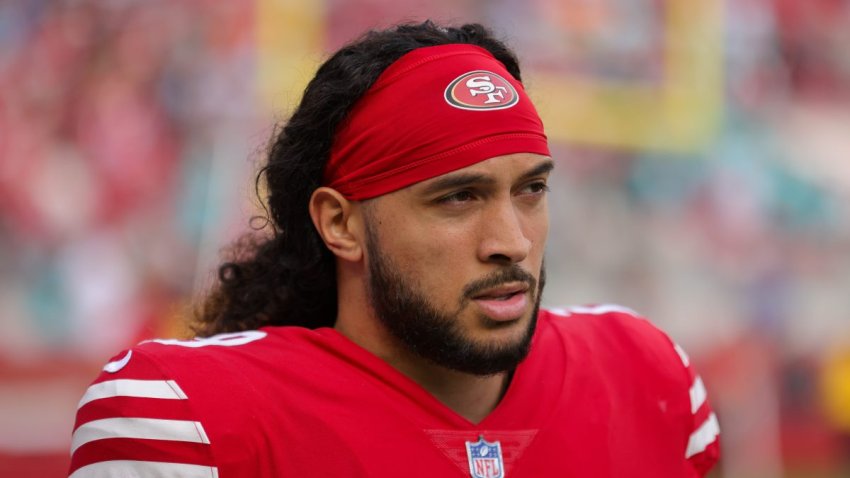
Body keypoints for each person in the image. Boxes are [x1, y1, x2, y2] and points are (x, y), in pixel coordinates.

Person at [68, 21, 720, 477]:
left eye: (530, 190)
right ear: (341, 224)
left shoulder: (648, 375)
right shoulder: (182, 417)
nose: (512, 242)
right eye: (458, 198)